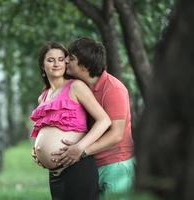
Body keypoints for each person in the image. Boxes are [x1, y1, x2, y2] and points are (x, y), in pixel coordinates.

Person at [51, 37, 134, 199]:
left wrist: (82, 150)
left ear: (85, 65)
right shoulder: (77, 87)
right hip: (90, 164)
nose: (66, 60)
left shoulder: (113, 89)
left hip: (115, 165)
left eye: (72, 58)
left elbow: (116, 134)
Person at [30, 41, 111, 200]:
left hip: (76, 167)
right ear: (42, 65)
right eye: (50, 60)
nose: (56, 64)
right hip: (55, 173)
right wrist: (38, 150)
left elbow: (104, 120)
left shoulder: (76, 87)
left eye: (61, 59)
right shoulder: (43, 96)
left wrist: (80, 148)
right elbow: (49, 128)